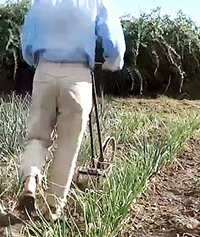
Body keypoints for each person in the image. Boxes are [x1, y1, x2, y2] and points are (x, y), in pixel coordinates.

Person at [17, 0, 126, 220]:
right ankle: (52, 209)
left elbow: (27, 45)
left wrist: (36, 60)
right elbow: (113, 42)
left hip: (44, 72)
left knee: (37, 136)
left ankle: (30, 181)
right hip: (78, 76)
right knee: (68, 145)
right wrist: (112, 62)